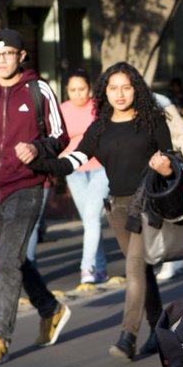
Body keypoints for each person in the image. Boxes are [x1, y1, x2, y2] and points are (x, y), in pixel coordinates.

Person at [18, 62, 172, 360]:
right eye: (113, 88)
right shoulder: (100, 127)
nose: (120, 94)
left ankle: (128, 336)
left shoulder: (152, 120)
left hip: (148, 205)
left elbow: (172, 158)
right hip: (118, 208)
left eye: (126, 87)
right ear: (104, 92)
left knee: (134, 269)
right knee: (142, 269)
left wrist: (165, 165)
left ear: (136, 89)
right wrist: (35, 161)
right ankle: (160, 330)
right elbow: (70, 162)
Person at [0, 28, 71, 366]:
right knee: (14, 260)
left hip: (27, 187)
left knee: (6, 263)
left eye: (8, 54)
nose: (1, 61)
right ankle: (50, 308)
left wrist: (36, 147)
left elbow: (60, 135)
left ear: (21, 56)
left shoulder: (38, 89)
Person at [60, 69, 110, 286]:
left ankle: (86, 268)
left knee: (91, 217)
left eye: (82, 89)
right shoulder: (61, 110)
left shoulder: (98, 107)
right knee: (90, 221)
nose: (78, 94)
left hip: (100, 168)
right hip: (74, 171)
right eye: (72, 90)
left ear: (89, 88)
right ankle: (100, 268)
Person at [152, 91, 183, 282]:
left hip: (170, 165)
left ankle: (173, 258)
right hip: (150, 167)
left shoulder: (162, 104)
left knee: (172, 211)